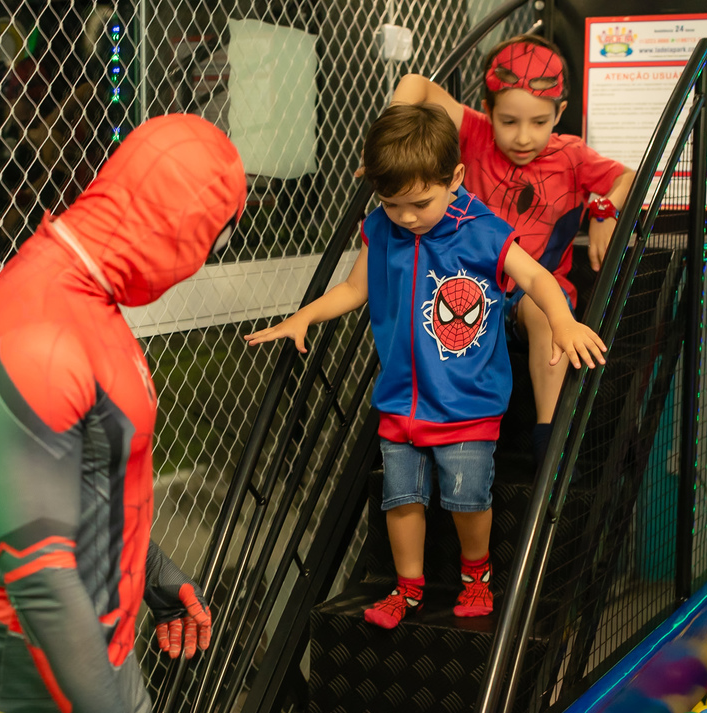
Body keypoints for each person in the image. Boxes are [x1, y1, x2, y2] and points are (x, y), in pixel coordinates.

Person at [0, 114, 247, 713]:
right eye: (207, 240)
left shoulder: (89, 297)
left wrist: (152, 571)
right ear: (178, 227)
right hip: (25, 681)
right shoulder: (42, 332)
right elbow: (39, 574)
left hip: (98, 654)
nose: (201, 263)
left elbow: (95, 474)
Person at [245, 103, 605, 626]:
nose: (407, 216)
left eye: (419, 203)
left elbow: (536, 278)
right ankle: (407, 587)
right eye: (392, 204)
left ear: (455, 178)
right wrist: (304, 316)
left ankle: (476, 575)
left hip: (466, 402)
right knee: (402, 500)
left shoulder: (482, 229)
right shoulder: (381, 226)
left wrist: (563, 321)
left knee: (466, 499)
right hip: (400, 399)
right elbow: (354, 288)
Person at [384, 35, 635, 464]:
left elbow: (628, 176)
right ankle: (430, 433)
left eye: (539, 122)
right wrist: (392, 143)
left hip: (534, 290)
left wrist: (604, 210)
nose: (524, 137)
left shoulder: (571, 155)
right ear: (487, 110)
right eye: (509, 121)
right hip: (472, 287)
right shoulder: (474, 134)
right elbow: (415, 84)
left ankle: (549, 440)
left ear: (560, 112)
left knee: (545, 312)